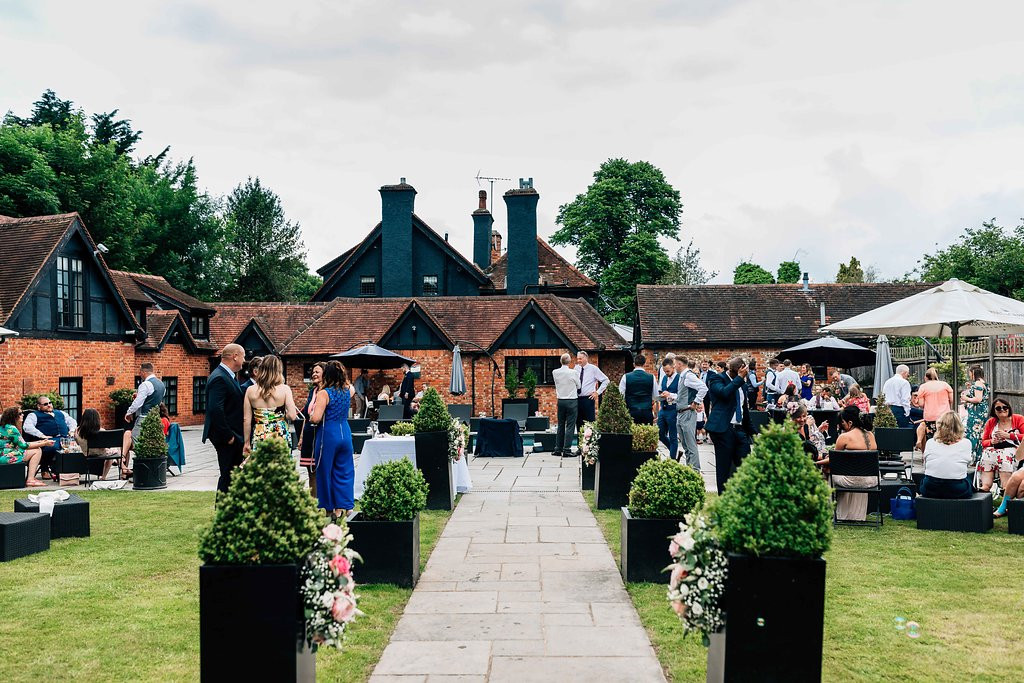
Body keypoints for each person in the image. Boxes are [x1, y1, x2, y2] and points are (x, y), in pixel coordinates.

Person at [310, 360, 355, 519]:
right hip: (345, 433)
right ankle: (344, 505)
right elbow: (352, 387)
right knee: (345, 470)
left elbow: (316, 418)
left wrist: (310, 415)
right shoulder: (347, 391)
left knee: (325, 470)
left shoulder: (325, 393)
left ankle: (329, 507)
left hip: (329, 434)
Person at [819, 405, 878, 521]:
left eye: (843, 423)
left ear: (850, 422)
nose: (842, 426)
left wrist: (818, 462)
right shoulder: (871, 435)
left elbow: (834, 459)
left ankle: (830, 509)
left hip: (849, 480)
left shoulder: (844, 437)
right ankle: (855, 514)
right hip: (870, 480)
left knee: (826, 470)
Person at [204, 343, 246, 496]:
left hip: (234, 435)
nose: (244, 360)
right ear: (235, 356)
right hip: (227, 437)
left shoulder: (227, 376)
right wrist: (228, 436)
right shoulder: (219, 377)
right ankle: (223, 512)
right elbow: (215, 409)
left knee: (232, 476)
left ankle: (231, 512)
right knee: (228, 476)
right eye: (243, 356)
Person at [706, 357, 753, 494]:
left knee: (746, 466)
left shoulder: (742, 385)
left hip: (739, 430)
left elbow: (744, 410)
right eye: (742, 372)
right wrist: (739, 378)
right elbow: (724, 393)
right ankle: (723, 500)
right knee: (723, 469)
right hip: (723, 430)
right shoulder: (716, 379)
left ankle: (744, 498)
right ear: (735, 370)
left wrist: (754, 432)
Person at [243, 355, 298, 457]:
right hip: (280, 432)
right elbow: (292, 415)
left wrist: (246, 442)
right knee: (281, 466)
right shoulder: (285, 389)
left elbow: (246, 419)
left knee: (262, 467)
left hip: (260, 431)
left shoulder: (250, 390)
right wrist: (280, 415)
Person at [122, 362, 166, 478]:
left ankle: (136, 471)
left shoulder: (145, 384)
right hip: (155, 420)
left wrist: (129, 412)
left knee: (136, 442)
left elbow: (138, 402)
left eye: (140, 372)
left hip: (143, 419)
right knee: (145, 443)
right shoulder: (162, 385)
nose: (139, 374)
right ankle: (126, 468)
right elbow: (155, 401)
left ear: (143, 372)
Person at [920, 411, 974, 499]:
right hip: (956, 489)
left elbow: (925, 464)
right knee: (968, 478)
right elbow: (967, 463)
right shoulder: (966, 443)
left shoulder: (930, 442)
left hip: (931, 487)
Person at [23, 393, 78, 479]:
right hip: (50, 439)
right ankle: (45, 469)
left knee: (75, 448)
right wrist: (41, 435)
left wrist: (71, 431)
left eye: (50, 403)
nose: (49, 405)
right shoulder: (33, 415)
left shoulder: (61, 413)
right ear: (38, 406)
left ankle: (71, 471)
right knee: (52, 447)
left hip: (65, 438)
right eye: (45, 404)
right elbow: (27, 427)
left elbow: (72, 422)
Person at [978, 398, 1023, 495]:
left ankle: (1006, 486)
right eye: (998, 408)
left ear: (1009, 408)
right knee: (987, 453)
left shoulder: (1018, 419)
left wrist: (1009, 436)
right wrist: (992, 441)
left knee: (1004, 454)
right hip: (996, 448)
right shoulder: (991, 422)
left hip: (1015, 449)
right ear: (994, 411)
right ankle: (986, 485)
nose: (1002, 410)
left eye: (1005, 407)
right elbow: (983, 442)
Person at [0, 406, 49, 487]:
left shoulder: (3, 427)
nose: (22, 415)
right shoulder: (12, 428)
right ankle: (30, 479)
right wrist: (44, 443)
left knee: (34, 448)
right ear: (13, 416)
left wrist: (40, 441)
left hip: (2, 455)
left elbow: (20, 443)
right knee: (37, 450)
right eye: (20, 413)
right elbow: (24, 445)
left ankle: (30, 478)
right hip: (7, 457)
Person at [297, 362, 326, 496]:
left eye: (317, 372)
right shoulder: (312, 391)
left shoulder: (327, 392)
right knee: (311, 470)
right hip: (309, 433)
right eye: (313, 372)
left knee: (322, 469)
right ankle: (313, 500)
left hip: (321, 433)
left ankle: (324, 500)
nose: (314, 374)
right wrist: (302, 437)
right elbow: (306, 416)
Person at [675, 357, 708, 471]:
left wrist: (696, 402)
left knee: (691, 445)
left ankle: (695, 471)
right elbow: (684, 394)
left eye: (675, 364)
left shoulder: (688, 375)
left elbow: (703, 388)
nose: (674, 366)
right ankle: (690, 469)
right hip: (681, 413)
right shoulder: (683, 376)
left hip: (687, 413)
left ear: (679, 364)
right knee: (686, 445)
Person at [915, 368, 954, 451]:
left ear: (926, 377)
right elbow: (951, 400)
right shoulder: (945, 385)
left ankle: (928, 453)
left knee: (930, 437)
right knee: (945, 436)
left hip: (930, 416)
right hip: (944, 416)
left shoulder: (923, 387)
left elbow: (921, 404)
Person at [74, 408, 119, 480]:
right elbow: (106, 444)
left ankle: (120, 466)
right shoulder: (101, 431)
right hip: (101, 454)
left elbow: (77, 443)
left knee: (111, 451)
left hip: (87, 454)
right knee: (114, 453)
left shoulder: (77, 431)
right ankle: (105, 476)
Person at [552, 353, 581, 458]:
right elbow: (579, 385)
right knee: (570, 426)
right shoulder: (573, 372)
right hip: (572, 400)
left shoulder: (555, 372)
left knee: (560, 425)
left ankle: (558, 449)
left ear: (561, 361)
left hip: (561, 400)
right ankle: (567, 450)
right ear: (570, 362)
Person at [618, 353, 658, 425]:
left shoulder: (626, 377)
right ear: (644, 364)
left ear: (634, 364)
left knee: (631, 434)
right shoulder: (651, 377)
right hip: (646, 411)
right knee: (647, 434)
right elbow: (655, 395)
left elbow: (621, 395)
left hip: (631, 411)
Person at [961, 365, 989, 462]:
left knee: (973, 434)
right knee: (980, 434)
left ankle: (971, 458)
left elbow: (978, 399)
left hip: (977, 413)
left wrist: (966, 398)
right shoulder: (982, 382)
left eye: (970, 373)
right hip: (981, 411)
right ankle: (978, 457)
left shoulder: (978, 383)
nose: (969, 375)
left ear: (973, 372)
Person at [576, 350, 609, 433]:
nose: (579, 360)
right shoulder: (576, 368)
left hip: (588, 399)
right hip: (577, 399)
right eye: (578, 359)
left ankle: (590, 444)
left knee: (590, 423)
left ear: (586, 358)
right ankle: (580, 444)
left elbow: (606, 380)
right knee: (579, 423)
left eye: (581, 358)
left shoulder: (593, 369)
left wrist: (597, 392)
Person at [656, 358, 680, 454]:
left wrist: (669, 394)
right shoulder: (664, 378)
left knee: (673, 436)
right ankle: (674, 451)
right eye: (665, 371)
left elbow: (681, 396)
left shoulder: (679, 378)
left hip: (673, 409)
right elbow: (661, 390)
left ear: (673, 367)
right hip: (663, 409)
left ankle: (673, 459)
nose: (666, 373)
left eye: (668, 371)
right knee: (660, 434)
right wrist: (661, 395)